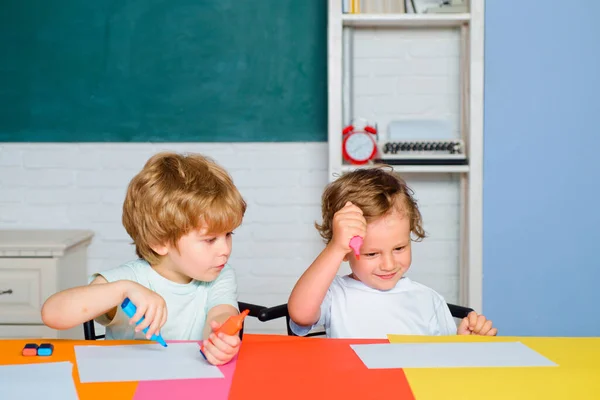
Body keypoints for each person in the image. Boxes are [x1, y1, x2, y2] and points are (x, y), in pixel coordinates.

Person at [41, 151, 246, 365]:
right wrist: (122, 290)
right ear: (159, 242)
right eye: (210, 239)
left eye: (228, 235)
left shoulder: (220, 274)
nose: (225, 249)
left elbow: (222, 313)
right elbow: (52, 314)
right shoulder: (129, 280)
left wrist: (221, 337)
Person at [288, 166, 497, 338]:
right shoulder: (335, 295)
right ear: (346, 251)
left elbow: (443, 362)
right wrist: (335, 247)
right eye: (372, 254)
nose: (388, 265)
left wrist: (464, 343)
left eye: (399, 248)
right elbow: (300, 314)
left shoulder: (429, 300)